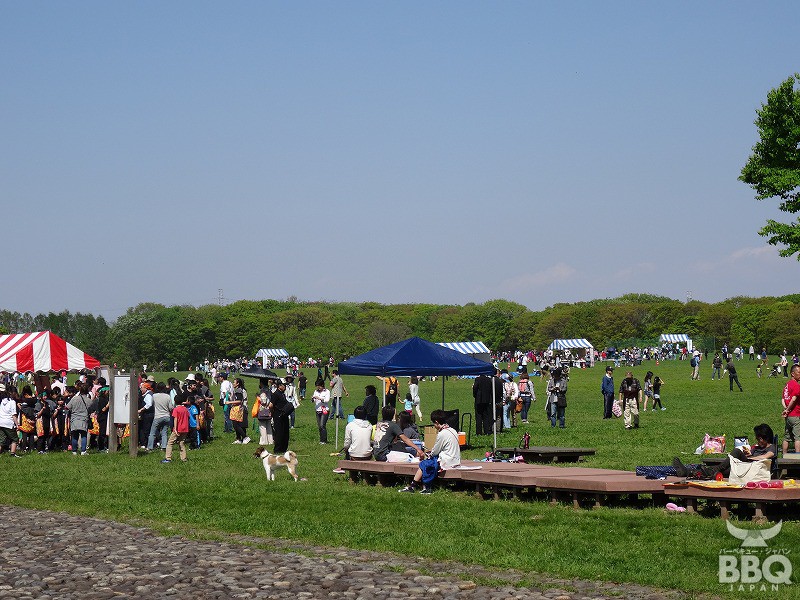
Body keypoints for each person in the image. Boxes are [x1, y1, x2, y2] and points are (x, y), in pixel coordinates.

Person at [674, 424, 776, 479]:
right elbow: (752, 454)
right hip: (744, 467)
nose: (758, 441)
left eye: (759, 439)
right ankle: (688, 472)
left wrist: (750, 458)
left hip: (753, 468)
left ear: (766, 437)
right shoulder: (757, 447)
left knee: (736, 451)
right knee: (721, 470)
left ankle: (690, 471)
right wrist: (748, 454)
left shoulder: (771, 447)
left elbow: (766, 456)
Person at [399, 409, 461, 494]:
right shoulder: (453, 430)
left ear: (436, 422)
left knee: (424, 464)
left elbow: (435, 451)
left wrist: (429, 454)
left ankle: (416, 486)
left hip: (447, 461)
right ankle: (415, 486)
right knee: (428, 463)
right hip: (456, 459)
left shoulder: (442, 434)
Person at [68, 382, 96, 455]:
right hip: (84, 418)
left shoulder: (74, 398)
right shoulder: (89, 401)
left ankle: (74, 451)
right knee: (84, 435)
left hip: (74, 418)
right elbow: (91, 410)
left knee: (74, 436)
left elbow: (68, 407)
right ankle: (83, 451)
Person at [161, 395, 191, 463]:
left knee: (170, 443)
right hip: (185, 429)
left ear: (174, 401)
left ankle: (168, 458)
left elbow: (176, 419)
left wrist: (175, 428)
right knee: (181, 443)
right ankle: (184, 458)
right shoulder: (185, 409)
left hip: (178, 428)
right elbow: (188, 417)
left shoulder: (176, 409)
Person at [147, 382, 174, 451]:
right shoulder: (167, 396)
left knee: (152, 433)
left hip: (157, 416)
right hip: (166, 416)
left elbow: (152, 404)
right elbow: (171, 407)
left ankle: (150, 447)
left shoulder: (154, 396)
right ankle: (164, 446)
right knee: (164, 432)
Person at [269, 379, 293, 453]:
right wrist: (273, 413)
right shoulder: (275, 394)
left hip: (284, 415)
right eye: (284, 385)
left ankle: (284, 448)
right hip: (278, 416)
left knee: (285, 432)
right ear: (279, 386)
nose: (285, 386)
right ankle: (277, 449)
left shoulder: (282, 393)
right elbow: (270, 405)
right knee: (279, 433)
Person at [782, 364, 800, 454]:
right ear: (793, 374)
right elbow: (793, 399)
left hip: (788, 417)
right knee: (798, 437)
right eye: (799, 372)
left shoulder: (787, 385)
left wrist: (785, 409)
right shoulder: (796, 385)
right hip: (796, 415)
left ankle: (784, 457)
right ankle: (797, 460)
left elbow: (782, 399)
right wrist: (788, 409)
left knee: (787, 437)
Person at [227, 378, 250, 444]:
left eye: (234, 382)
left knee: (236, 424)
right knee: (239, 424)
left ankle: (245, 437)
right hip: (239, 408)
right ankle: (239, 438)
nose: (233, 383)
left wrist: (230, 402)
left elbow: (239, 400)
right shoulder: (239, 390)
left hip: (239, 409)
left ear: (238, 383)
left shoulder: (239, 390)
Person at [0, 385, 20, 458]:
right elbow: (14, 415)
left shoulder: (2, 401)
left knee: (1, 440)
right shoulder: (12, 402)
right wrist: (17, 425)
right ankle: (13, 453)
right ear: (13, 393)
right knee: (15, 439)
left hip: (1, 422)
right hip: (8, 423)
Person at [311, 379, 331, 444]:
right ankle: (321, 440)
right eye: (317, 386)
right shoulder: (315, 391)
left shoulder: (327, 391)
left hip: (325, 410)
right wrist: (313, 399)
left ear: (322, 385)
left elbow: (327, 400)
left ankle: (324, 440)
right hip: (317, 410)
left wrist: (320, 398)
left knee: (322, 425)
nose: (318, 387)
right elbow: (314, 400)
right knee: (319, 426)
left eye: (319, 386)